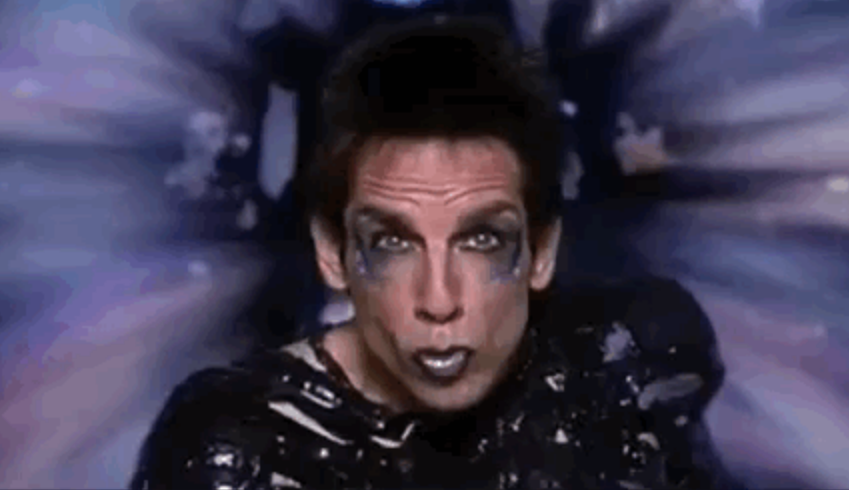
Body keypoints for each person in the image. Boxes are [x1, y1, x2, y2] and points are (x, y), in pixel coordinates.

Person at [130, 15, 739, 490]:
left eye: (482, 239)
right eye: (393, 242)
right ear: (332, 252)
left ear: (542, 250)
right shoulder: (237, 449)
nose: (439, 300)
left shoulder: (621, 363)